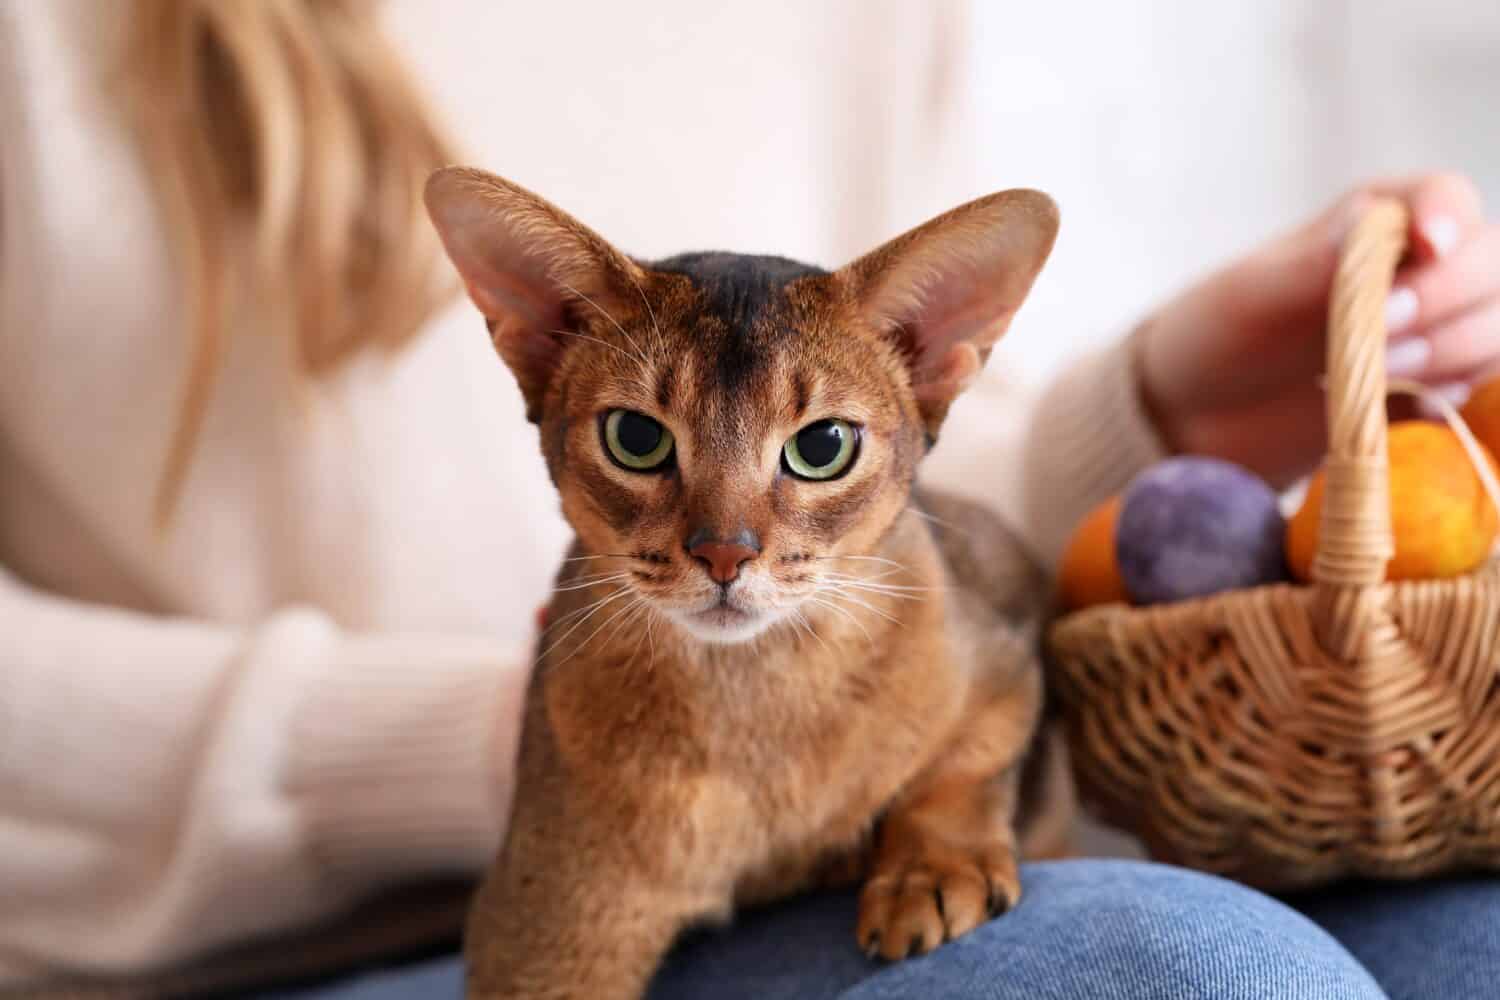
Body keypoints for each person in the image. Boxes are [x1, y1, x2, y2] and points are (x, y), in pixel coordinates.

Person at [1, 2, 1497, 998]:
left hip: (837, 728)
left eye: (795, 468)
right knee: (1182, 973)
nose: (723, 544)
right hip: (267, 938)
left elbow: (889, 444)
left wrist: (1158, 401)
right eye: (640, 447)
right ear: (524, 333)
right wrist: (503, 750)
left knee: (1474, 936)